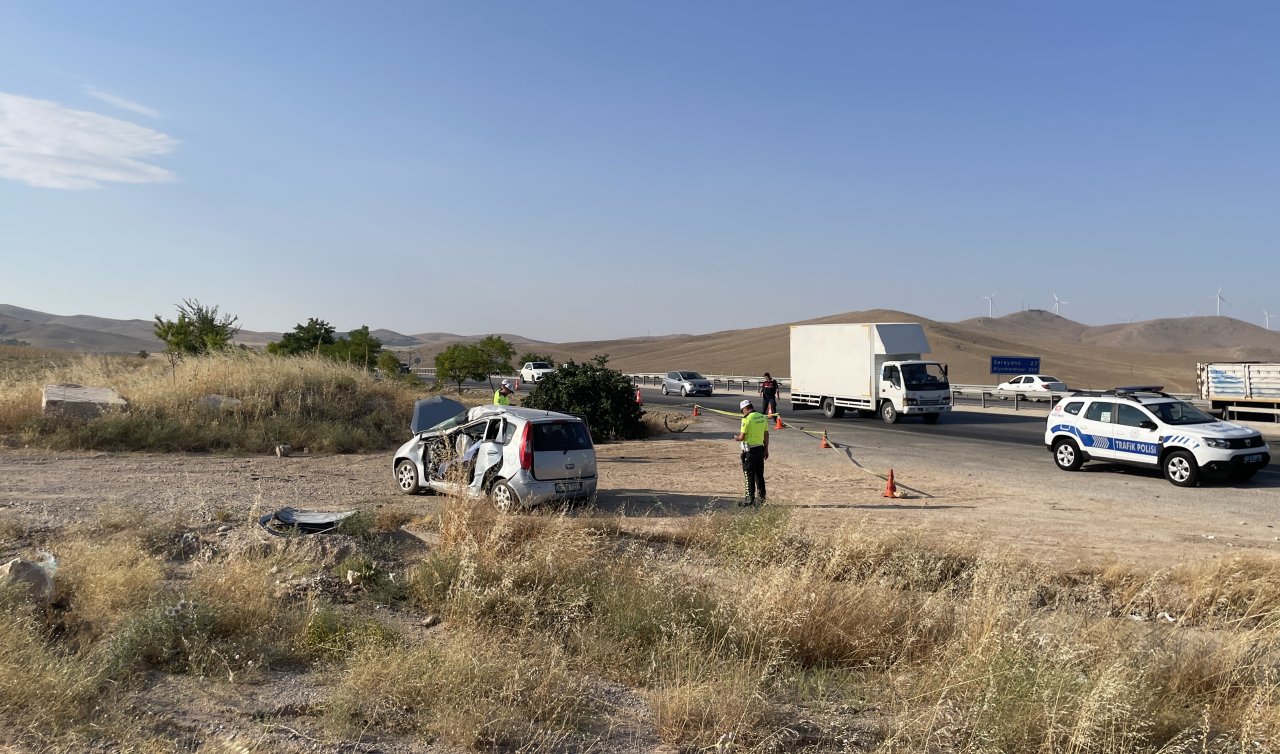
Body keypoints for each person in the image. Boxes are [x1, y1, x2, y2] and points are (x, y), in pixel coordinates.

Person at [733, 398, 769, 507]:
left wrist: (735, 438)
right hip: (760, 449)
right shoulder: (762, 417)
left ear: (745, 408)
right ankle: (762, 499)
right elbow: (766, 434)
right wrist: (766, 449)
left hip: (750, 451)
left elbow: (742, 436)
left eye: (742, 410)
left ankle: (749, 500)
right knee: (759, 476)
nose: (742, 413)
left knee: (749, 475)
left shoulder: (746, 419)